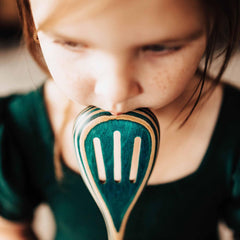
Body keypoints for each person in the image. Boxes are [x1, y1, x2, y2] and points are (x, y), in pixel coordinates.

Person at [0, 0, 240, 239]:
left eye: (159, 47)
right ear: (32, 22)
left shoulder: (232, 129)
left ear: (211, 23)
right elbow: (9, 228)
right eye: (72, 43)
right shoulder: (21, 128)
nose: (115, 92)